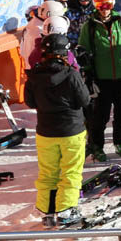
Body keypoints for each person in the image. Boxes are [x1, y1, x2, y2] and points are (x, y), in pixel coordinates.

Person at [25, 32, 91, 227]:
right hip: (71, 130)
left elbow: (30, 102)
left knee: (48, 172)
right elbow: (85, 100)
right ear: (65, 53)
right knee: (71, 171)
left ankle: (47, 211)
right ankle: (66, 209)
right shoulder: (71, 74)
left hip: (45, 131)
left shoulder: (34, 75)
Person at [77, 0, 121, 162]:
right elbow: (84, 51)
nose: (104, 9)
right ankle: (97, 146)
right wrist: (88, 75)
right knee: (99, 116)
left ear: (113, 5)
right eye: (100, 5)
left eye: (108, 5)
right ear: (96, 6)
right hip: (101, 78)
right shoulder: (89, 26)